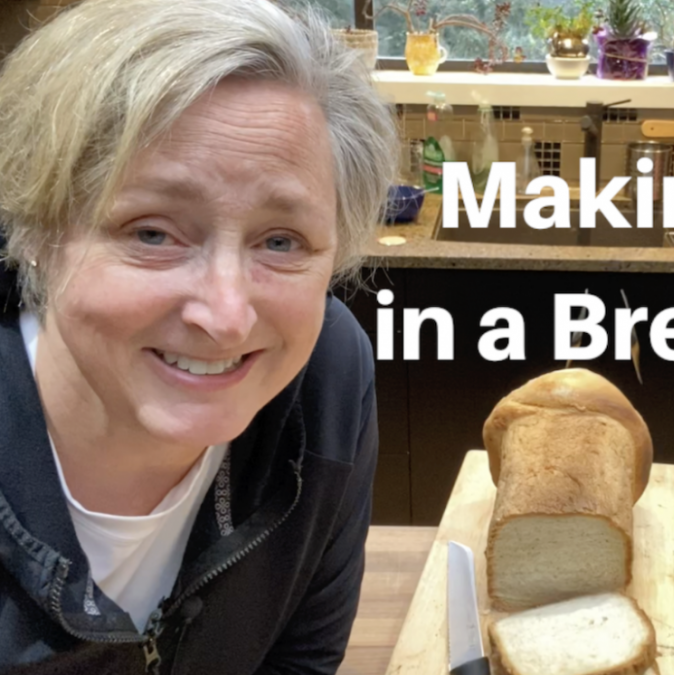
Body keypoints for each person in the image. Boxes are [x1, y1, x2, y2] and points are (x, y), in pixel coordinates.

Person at [0, 0, 397, 672]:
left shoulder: (326, 380)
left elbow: (299, 661)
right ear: (37, 231)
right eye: (152, 232)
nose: (225, 315)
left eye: (281, 240)